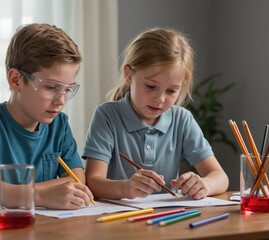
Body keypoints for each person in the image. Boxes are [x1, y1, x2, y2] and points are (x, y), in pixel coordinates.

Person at [0, 23, 94, 209]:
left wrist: (27, 194)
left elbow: (76, 180)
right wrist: (38, 195)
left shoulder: (59, 124)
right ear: (16, 80)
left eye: (67, 89)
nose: (61, 101)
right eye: (51, 87)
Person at [82, 27, 229, 200]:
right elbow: (92, 181)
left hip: (166, 220)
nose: (160, 99)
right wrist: (125, 188)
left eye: (171, 91)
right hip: (116, 219)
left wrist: (204, 185)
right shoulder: (107, 116)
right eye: (151, 87)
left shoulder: (182, 119)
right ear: (128, 75)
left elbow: (220, 177)